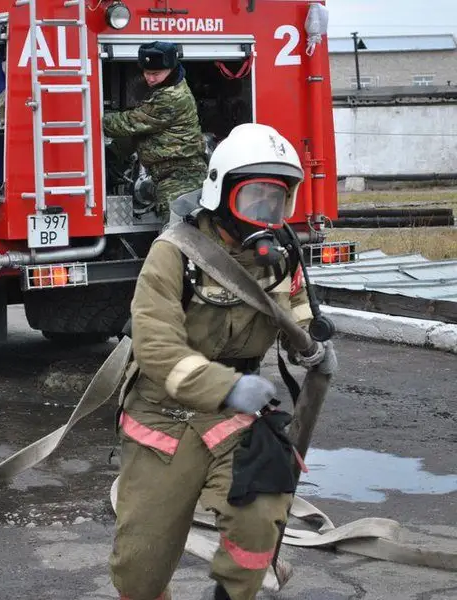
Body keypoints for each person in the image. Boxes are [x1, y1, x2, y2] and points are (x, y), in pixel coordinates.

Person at [109, 123, 337, 600]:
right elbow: (156, 348)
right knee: (139, 570)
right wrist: (224, 387)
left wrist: (309, 340)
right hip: (163, 414)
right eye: (255, 199)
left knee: (260, 516)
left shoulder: (281, 255)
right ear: (221, 192)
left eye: (277, 201)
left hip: (238, 415)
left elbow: (292, 305)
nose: (266, 215)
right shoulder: (174, 254)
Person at [102, 41, 208, 220]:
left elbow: (128, 123)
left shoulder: (171, 97)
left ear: (171, 69)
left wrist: (95, 117)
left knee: (178, 236)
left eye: (156, 73)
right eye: (146, 72)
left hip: (180, 178)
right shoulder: (168, 86)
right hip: (170, 175)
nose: (150, 78)